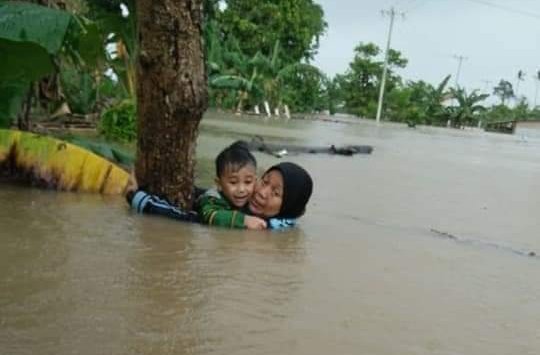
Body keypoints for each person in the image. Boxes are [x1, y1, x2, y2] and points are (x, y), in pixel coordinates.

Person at [126, 152, 313, 230]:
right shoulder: (228, 202)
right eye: (264, 182)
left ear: (289, 205)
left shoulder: (277, 228)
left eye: (275, 193)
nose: (262, 192)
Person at [196, 141, 268, 230]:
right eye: (233, 182)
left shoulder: (253, 199)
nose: (241, 189)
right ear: (219, 184)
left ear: (255, 181)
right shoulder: (212, 198)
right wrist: (244, 220)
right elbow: (211, 216)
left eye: (248, 182)